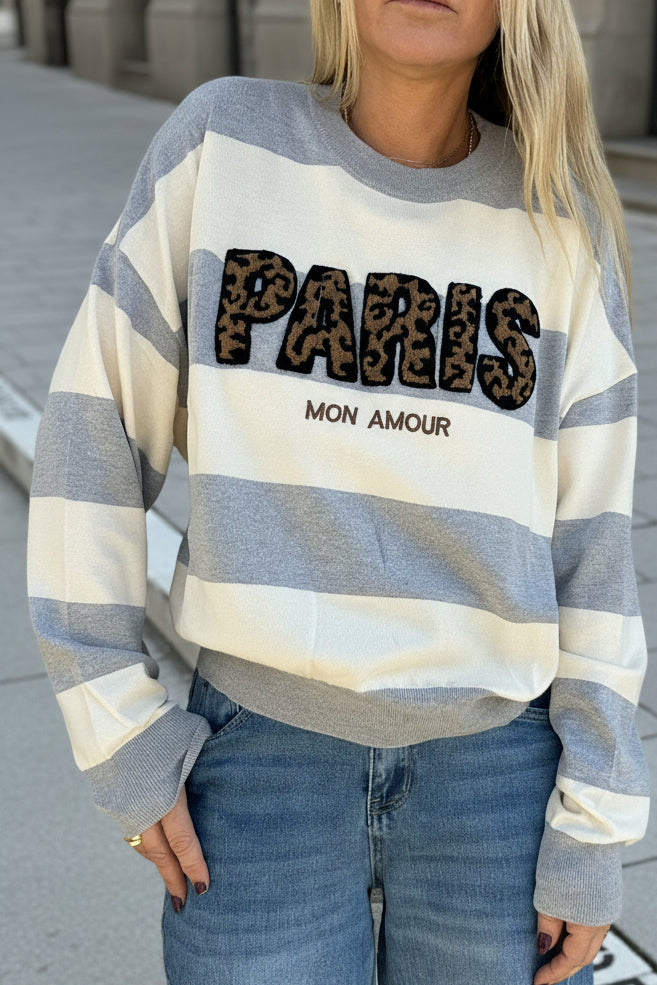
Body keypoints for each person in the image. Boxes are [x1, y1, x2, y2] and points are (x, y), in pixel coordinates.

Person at [26, 0, 650, 982]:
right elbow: (90, 436)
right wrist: (119, 733)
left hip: (496, 785)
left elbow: (595, 551)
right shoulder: (223, 144)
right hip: (258, 766)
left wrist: (595, 822)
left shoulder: (560, 217)